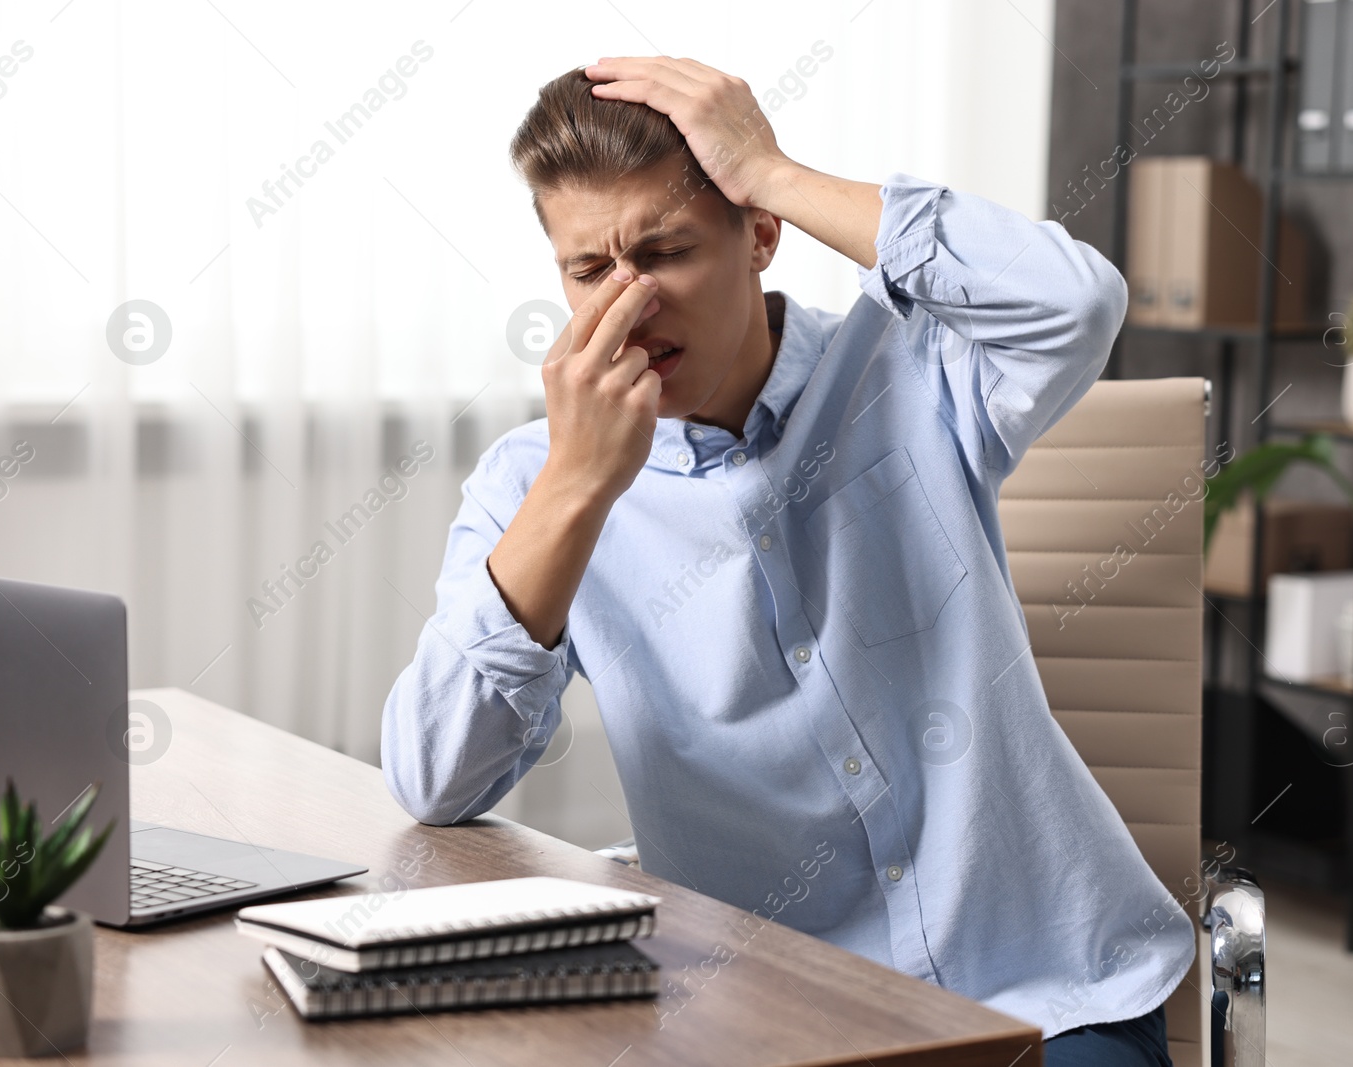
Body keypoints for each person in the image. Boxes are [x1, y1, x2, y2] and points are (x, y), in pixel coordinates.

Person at [381, 57, 1193, 1065]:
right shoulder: (530, 487)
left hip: (1043, 985)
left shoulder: (911, 369)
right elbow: (434, 778)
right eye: (589, 272)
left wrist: (772, 168)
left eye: (666, 251)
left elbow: (1073, 304)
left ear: (759, 234)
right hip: (772, 1019)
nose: (628, 305)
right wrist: (575, 488)